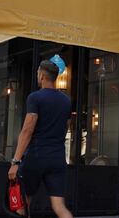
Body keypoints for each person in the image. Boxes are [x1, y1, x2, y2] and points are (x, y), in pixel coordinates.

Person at [8, 59, 73, 218]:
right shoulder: (66, 100)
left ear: (43, 76)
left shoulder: (35, 98)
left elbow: (27, 130)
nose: (37, 76)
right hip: (58, 157)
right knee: (59, 206)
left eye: (38, 73)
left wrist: (15, 162)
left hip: (36, 157)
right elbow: (67, 126)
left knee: (23, 204)